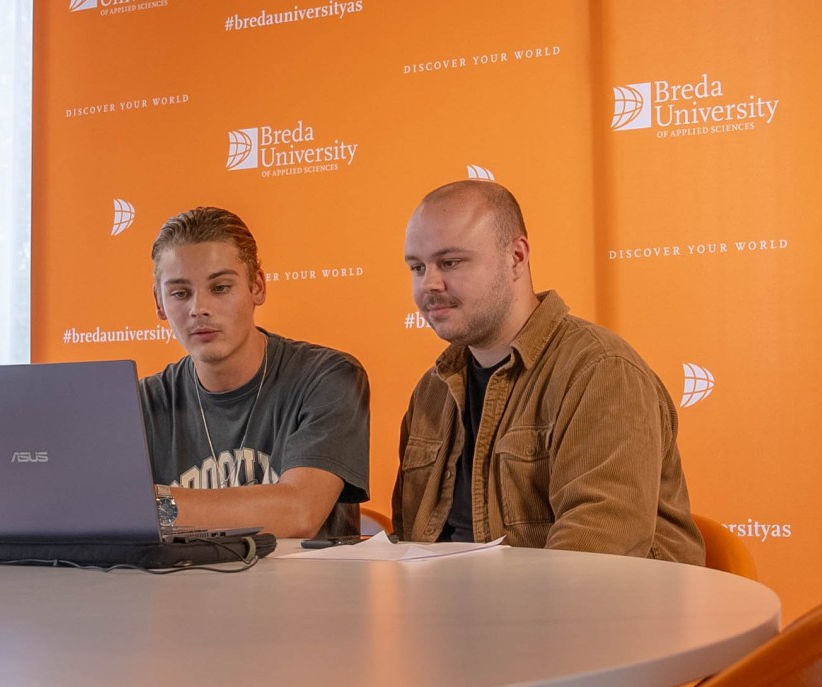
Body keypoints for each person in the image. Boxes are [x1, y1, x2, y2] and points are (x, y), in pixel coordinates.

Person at [393, 180, 705, 564]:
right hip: (454, 600)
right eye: (417, 267)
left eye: (451, 262)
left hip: (596, 602)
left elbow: (593, 558)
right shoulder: (431, 391)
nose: (429, 284)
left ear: (516, 257)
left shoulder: (600, 371)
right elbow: (409, 547)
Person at [140, 206, 368, 538]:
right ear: (159, 303)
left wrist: (147, 507)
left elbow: (299, 513)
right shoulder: (141, 403)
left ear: (257, 287)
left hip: (304, 575)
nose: (199, 308)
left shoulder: (326, 377)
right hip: (183, 574)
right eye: (180, 293)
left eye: (220, 288)